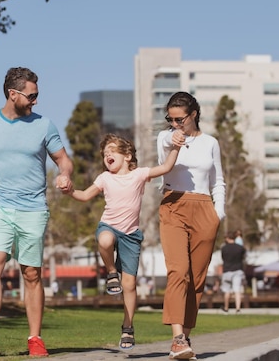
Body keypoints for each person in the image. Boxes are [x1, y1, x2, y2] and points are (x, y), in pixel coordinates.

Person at [0, 67, 74, 358]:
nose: (35, 101)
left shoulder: (44, 125)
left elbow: (63, 160)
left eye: (37, 96)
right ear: (13, 94)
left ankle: (35, 338)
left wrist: (64, 175)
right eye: (31, 96)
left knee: (31, 273)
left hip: (33, 208)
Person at [68, 133, 184, 350]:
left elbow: (166, 167)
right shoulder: (104, 178)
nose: (107, 154)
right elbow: (84, 195)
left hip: (131, 236)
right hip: (109, 226)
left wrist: (175, 147)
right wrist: (69, 190)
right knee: (104, 239)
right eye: (104, 153)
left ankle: (128, 327)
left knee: (129, 285)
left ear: (128, 156)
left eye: (112, 150)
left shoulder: (139, 175)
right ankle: (111, 272)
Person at [156, 91, 226, 360]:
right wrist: (172, 140)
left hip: (204, 209)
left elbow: (218, 180)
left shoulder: (210, 142)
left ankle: (185, 338)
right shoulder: (165, 138)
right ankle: (176, 339)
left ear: (193, 114)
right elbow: (163, 149)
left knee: (196, 279)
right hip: (173, 204)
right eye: (170, 119)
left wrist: (217, 213)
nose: (175, 124)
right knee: (178, 272)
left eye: (180, 119)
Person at [220, 230, 247, 314]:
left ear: (227, 238)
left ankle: (226, 308)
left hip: (227, 270)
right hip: (238, 270)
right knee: (237, 290)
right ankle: (238, 309)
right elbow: (243, 258)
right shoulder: (240, 248)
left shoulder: (224, 248)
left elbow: (223, 258)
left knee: (227, 291)